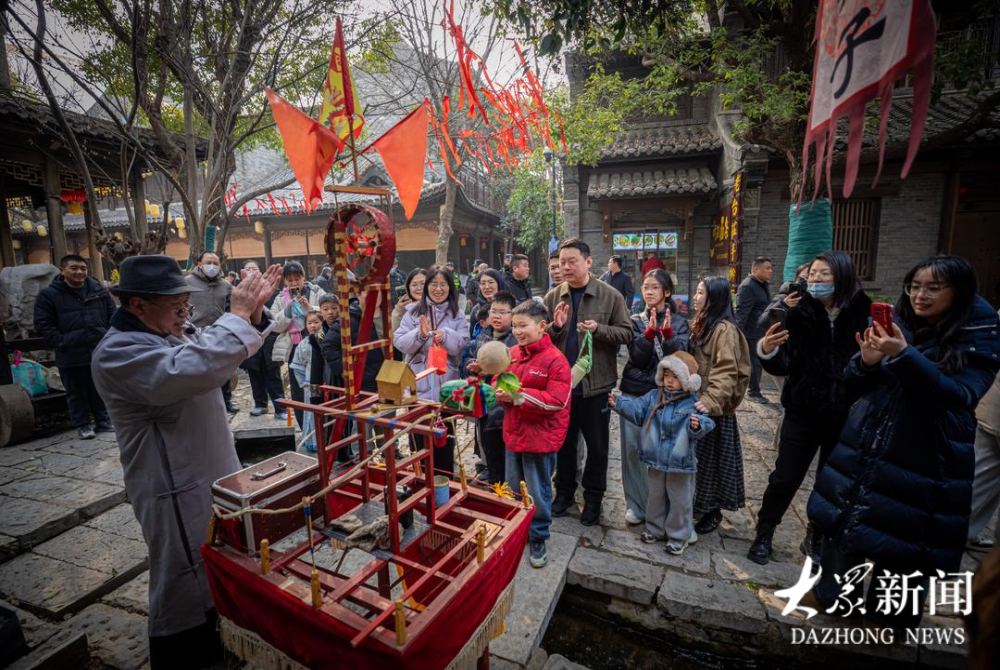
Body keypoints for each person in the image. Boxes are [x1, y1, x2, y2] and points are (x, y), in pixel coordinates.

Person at [91, 255, 281, 670]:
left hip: (212, 469)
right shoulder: (117, 352)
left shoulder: (171, 331)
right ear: (137, 306)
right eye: (177, 307)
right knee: (183, 572)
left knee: (222, 558)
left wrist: (252, 313)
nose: (185, 314)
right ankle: (182, 655)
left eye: (186, 305)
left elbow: (212, 348)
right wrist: (236, 315)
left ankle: (227, 639)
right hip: (174, 484)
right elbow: (194, 368)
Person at [808, 256, 1000, 629]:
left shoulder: (979, 335)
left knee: (906, 540)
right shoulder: (899, 323)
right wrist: (866, 363)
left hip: (926, 455)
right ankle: (835, 599)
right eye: (915, 287)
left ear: (959, 292)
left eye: (933, 288)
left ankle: (890, 620)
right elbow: (855, 383)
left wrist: (903, 355)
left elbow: (958, 395)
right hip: (868, 442)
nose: (920, 296)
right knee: (844, 521)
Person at [748, 251, 871, 565]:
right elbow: (784, 364)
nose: (816, 279)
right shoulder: (798, 314)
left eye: (824, 274)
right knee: (785, 477)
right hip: (802, 411)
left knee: (830, 482)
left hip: (844, 415)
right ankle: (765, 531)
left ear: (843, 276)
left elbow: (873, 370)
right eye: (813, 274)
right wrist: (767, 350)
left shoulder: (864, 314)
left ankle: (815, 533)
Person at [544, 238, 633, 526]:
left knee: (597, 447)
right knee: (564, 444)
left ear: (588, 262)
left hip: (596, 386)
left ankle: (593, 499)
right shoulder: (553, 296)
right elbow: (540, 337)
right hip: (562, 386)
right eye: (561, 263)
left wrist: (599, 329)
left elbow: (627, 333)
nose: (565, 267)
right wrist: (554, 327)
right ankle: (565, 492)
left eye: (572, 261)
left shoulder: (610, 296)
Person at [611, 352, 715, 555]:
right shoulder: (653, 396)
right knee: (655, 497)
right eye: (666, 375)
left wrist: (697, 425)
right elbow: (637, 409)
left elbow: (707, 421)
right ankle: (654, 529)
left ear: (688, 381)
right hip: (656, 460)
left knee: (680, 500)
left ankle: (679, 536)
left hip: (680, 463)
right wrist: (619, 404)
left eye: (675, 377)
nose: (669, 381)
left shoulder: (692, 402)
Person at [497, 300, 571, 568]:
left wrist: (518, 396)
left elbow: (556, 401)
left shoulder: (556, 360)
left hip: (540, 439)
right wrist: (499, 391)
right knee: (513, 486)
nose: (517, 331)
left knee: (538, 491)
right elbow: (498, 379)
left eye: (523, 325)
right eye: (515, 326)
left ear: (541, 326)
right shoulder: (512, 353)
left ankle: (538, 536)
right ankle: (518, 529)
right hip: (514, 433)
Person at [617, 269, 690, 525]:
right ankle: (636, 505)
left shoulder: (679, 322)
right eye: (646, 287)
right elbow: (636, 358)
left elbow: (680, 360)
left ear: (667, 292)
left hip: (667, 396)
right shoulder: (634, 320)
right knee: (632, 451)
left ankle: (662, 508)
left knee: (664, 453)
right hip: (636, 392)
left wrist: (668, 336)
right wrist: (648, 335)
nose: (649, 292)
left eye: (655, 287)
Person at [688, 276, 751, 535]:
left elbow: (727, 371)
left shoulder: (725, 330)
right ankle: (699, 505)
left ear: (714, 298)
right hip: (700, 405)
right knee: (700, 463)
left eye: (700, 292)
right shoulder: (705, 324)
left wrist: (710, 402)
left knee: (712, 466)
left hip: (713, 411)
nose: (695, 297)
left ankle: (712, 511)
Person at [394, 267, 469, 476]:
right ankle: (420, 482)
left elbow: (463, 343)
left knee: (445, 442)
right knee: (418, 443)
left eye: (443, 284)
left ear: (450, 287)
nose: (438, 289)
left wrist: (446, 335)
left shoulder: (457, 313)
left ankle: (444, 484)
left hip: (447, 392)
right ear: (427, 287)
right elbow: (399, 342)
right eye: (433, 284)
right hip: (418, 390)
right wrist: (419, 334)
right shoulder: (412, 312)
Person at [33, 254, 115, 439]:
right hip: (70, 352)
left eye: (83, 268)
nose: (79, 272)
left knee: (99, 388)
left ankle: (103, 420)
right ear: (62, 270)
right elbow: (43, 323)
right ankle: (83, 424)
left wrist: (109, 337)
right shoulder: (49, 295)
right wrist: (62, 342)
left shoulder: (98, 291)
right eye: (74, 268)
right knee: (75, 391)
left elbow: (112, 315)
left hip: (98, 349)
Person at [462, 291, 518, 484]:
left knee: (507, 449)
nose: (497, 316)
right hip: (484, 402)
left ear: (513, 314)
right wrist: (471, 366)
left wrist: (488, 369)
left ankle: (511, 485)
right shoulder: (483, 335)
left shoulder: (516, 339)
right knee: (489, 444)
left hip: (506, 404)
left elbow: (516, 370)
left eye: (503, 312)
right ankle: (495, 482)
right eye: (494, 311)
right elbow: (469, 357)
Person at [270, 262, 325, 427]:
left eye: (297, 279)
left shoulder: (316, 292)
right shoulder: (281, 298)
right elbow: (274, 325)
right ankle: (304, 428)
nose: (294, 283)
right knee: (297, 390)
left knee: (317, 386)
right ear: (285, 281)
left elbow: (328, 313)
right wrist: (287, 310)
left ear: (303, 277)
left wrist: (310, 308)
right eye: (290, 280)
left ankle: (320, 427)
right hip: (293, 348)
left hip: (316, 346)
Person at [186, 250, 238, 414]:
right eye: (208, 263)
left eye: (215, 263)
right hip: (194, 333)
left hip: (219, 333)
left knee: (223, 370)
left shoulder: (226, 286)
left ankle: (226, 402)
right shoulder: (187, 283)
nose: (212, 266)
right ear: (199, 264)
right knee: (198, 371)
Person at [240, 261, 286, 417]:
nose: (251, 271)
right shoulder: (238, 293)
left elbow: (275, 315)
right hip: (250, 341)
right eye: (248, 269)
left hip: (269, 341)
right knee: (254, 375)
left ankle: (281, 408)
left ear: (260, 272)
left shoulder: (271, 291)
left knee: (273, 375)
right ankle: (260, 404)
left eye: (254, 269)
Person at [968, 334, 1000, 549]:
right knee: (982, 475)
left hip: (991, 405)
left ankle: (963, 531)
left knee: (984, 476)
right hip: (993, 411)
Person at [735, 256, 773, 403]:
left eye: (770, 268)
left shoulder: (762, 284)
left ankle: (754, 390)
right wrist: (738, 336)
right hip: (751, 332)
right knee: (754, 363)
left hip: (762, 331)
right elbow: (742, 313)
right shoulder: (747, 287)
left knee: (758, 362)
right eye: (767, 268)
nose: (770, 271)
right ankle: (753, 392)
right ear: (755, 269)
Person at [289, 311, 326, 452]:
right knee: (312, 413)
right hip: (311, 384)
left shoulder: (327, 340)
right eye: (309, 323)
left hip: (327, 382)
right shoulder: (303, 344)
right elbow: (297, 366)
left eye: (316, 322)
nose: (313, 326)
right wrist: (304, 382)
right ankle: (314, 441)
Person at [469, 268, 507, 338]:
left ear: (499, 283)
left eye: (491, 282)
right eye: (483, 283)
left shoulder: (512, 305)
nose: (486, 287)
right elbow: (472, 337)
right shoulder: (476, 309)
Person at [392, 269, 427, 333]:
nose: (419, 288)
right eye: (414, 285)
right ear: (408, 288)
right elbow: (395, 334)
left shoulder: (438, 306)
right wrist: (399, 310)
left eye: (423, 283)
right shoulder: (405, 309)